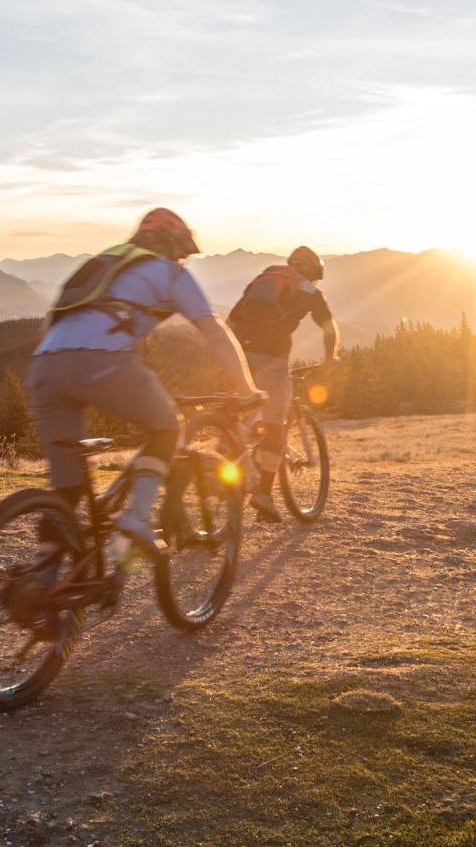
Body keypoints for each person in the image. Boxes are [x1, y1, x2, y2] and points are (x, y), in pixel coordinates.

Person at [23, 208, 258, 596]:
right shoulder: (169, 272)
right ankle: (136, 521)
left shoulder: (102, 263)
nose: (183, 261)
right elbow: (214, 331)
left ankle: (42, 586)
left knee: (66, 489)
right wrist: (246, 388)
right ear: (173, 245)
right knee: (168, 427)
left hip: (44, 367)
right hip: (100, 359)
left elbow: (54, 322)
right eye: (182, 253)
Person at [225, 246, 337, 522]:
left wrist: (230, 356)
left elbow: (231, 320)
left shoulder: (263, 279)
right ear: (312, 271)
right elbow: (329, 328)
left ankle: (223, 459)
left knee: (239, 415)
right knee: (276, 425)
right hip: (272, 357)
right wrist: (329, 360)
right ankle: (263, 493)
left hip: (239, 354)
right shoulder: (308, 289)